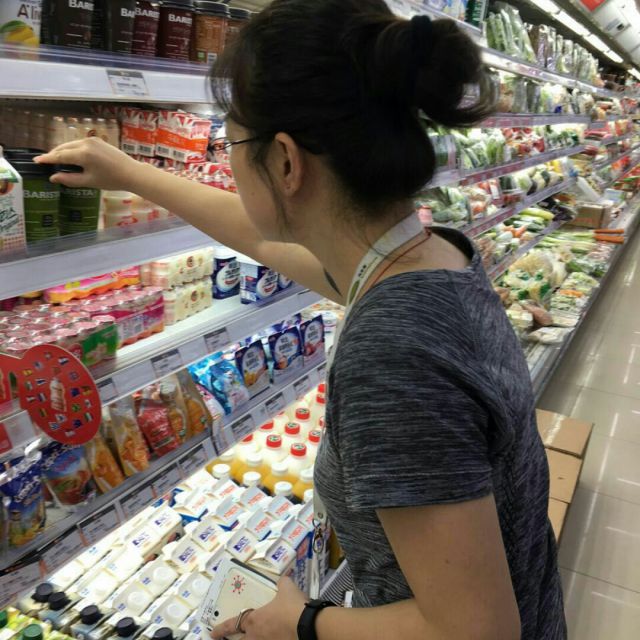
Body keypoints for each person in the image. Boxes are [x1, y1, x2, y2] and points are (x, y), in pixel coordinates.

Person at [36, 1, 567, 638]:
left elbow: (478, 631)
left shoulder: (392, 353)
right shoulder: (430, 256)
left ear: (286, 162)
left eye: (232, 143)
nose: (228, 161)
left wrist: (302, 622)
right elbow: (261, 239)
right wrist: (130, 173)